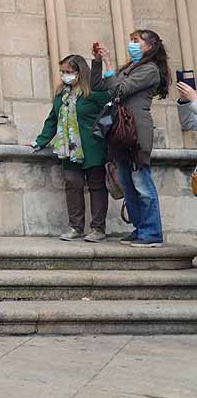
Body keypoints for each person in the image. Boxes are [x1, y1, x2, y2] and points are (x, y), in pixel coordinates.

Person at [91, 31, 169, 247]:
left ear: (150, 46)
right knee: (127, 182)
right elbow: (98, 86)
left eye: (136, 41)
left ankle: (152, 233)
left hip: (136, 131)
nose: (131, 44)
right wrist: (98, 63)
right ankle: (140, 227)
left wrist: (109, 63)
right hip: (121, 131)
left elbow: (117, 91)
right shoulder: (130, 68)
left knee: (141, 182)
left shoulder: (149, 70)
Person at [33, 55, 111, 242]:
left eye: (69, 72)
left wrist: (101, 135)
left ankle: (98, 229)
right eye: (63, 72)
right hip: (68, 149)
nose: (65, 75)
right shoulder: (62, 94)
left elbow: (110, 112)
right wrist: (40, 141)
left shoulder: (93, 93)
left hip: (93, 147)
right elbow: (53, 119)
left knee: (96, 186)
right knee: (72, 184)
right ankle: (75, 227)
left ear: (80, 72)